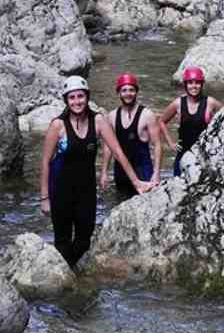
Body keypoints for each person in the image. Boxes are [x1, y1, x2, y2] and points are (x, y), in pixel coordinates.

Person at [38, 76, 151, 270]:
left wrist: (137, 182)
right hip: (61, 192)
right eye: (72, 97)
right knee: (62, 241)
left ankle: (73, 276)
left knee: (84, 241)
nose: (77, 101)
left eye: (80, 96)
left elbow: (118, 152)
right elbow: (45, 162)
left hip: (86, 191)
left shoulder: (98, 120)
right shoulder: (58, 125)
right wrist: (44, 197)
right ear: (66, 100)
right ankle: (67, 286)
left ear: (87, 96)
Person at [99, 73, 163, 202]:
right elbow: (107, 147)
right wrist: (104, 172)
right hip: (121, 173)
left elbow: (157, 145)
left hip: (144, 171)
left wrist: (156, 173)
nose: (128, 94)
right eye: (124, 90)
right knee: (119, 205)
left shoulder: (147, 115)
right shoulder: (111, 116)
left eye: (131, 90)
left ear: (136, 92)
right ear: (119, 93)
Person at [160, 66, 223, 176]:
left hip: (203, 156)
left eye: (197, 83)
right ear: (185, 84)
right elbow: (161, 121)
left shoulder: (210, 102)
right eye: (190, 83)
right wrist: (170, 143)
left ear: (202, 84)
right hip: (182, 154)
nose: (194, 86)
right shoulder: (178, 103)